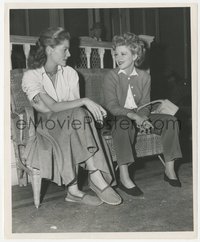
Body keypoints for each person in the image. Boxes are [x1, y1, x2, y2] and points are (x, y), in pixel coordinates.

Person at [22, 27, 122, 206]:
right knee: (78, 113)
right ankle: (95, 177)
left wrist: (82, 106)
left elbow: (75, 112)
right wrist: (84, 100)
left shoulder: (70, 74)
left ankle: (76, 190)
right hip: (48, 130)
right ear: (49, 50)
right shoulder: (31, 76)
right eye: (64, 49)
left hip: (71, 125)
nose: (69, 54)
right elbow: (50, 110)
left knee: (78, 115)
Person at [102, 32, 183, 196]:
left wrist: (144, 117)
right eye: (116, 53)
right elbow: (112, 106)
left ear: (135, 55)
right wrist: (135, 117)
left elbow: (145, 103)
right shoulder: (111, 76)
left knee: (171, 121)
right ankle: (124, 176)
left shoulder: (145, 76)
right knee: (124, 124)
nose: (118, 57)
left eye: (123, 53)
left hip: (140, 114)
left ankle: (169, 169)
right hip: (117, 117)